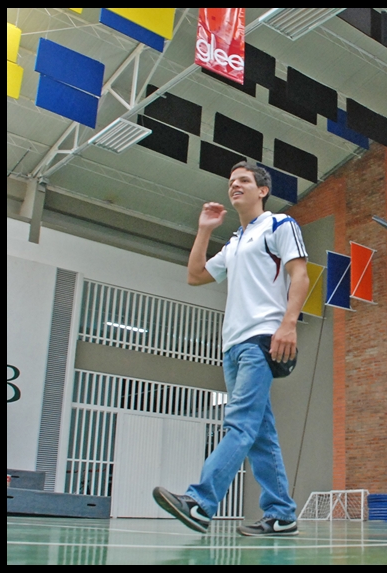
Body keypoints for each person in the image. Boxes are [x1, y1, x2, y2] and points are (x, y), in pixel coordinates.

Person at [153, 161, 309, 536]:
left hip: (261, 339)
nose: (234, 185)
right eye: (231, 181)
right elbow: (195, 276)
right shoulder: (235, 242)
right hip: (232, 346)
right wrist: (205, 230)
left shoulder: (280, 225)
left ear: (263, 190)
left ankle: (201, 502)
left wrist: (289, 324)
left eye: (243, 180)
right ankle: (282, 513)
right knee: (259, 433)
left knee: (239, 423)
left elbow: (300, 275)